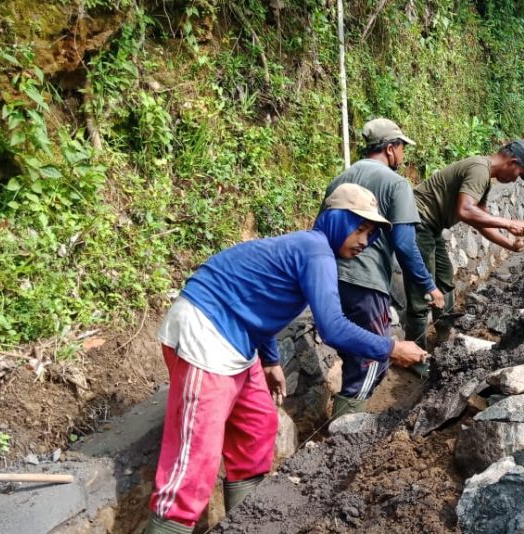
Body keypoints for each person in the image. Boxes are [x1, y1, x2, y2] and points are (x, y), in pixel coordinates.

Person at [146, 184, 428, 534]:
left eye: (371, 234)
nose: (364, 241)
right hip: (205, 332)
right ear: (337, 221)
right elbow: (333, 328)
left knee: (257, 426)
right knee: (195, 458)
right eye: (359, 228)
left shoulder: (313, 251)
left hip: (238, 337)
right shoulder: (316, 252)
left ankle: (243, 525)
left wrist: (270, 360)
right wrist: (391, 348)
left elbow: (258, 299)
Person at [322, 118, 445, 417]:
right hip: (366, 281)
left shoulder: (340, 179)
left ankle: (345, 424)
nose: (403, 155)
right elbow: (405, 244)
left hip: (330, 276)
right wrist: (429, 285)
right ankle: (345, 432)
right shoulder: (395, 184)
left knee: (355, 353)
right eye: (402, 148)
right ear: (391, 149)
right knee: (372, 361)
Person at [404, 141, 524, 350]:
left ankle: (444, 338)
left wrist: (510, 244)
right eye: (519, 173)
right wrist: (508, 223)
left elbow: (479, 220)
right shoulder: (479, 169)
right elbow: (466, 210)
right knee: (422, 292)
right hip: (417, 222)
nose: (515, 179)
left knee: (444, 279)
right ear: (513, 162)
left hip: (431, 227)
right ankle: (414, 353)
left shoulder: (484, 179)